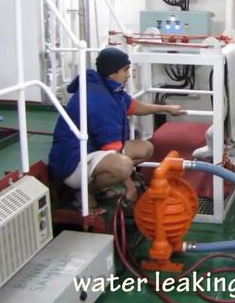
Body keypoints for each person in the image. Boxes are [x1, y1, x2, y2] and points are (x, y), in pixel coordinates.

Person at [48, 47, 184, 214]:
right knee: (123, 166)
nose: (129, 74)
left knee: (146, 148)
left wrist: (167, 108)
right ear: (113, 73)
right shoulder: (99, 99)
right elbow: (111, 148)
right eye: (125, 70)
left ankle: (97, 185)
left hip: (92, 150)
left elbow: (133, 106)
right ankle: (85, 193)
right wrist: (130, 188)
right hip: (72, 162)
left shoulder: (107, 86)